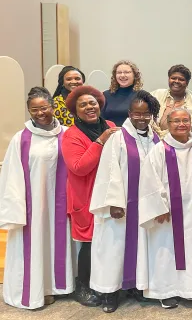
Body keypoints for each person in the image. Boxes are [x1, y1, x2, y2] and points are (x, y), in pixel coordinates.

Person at [0, 87, 74, 309]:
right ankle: (38, 289)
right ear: (29, 111)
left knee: (60, 242)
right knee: (36, 243)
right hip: (34, 204)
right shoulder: (21, 139)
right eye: (35, 110)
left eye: (44, 107)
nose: (41, 113)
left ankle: (59, 286)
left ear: (52, 106)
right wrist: (16, 208)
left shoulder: (67, 133)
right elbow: (11, 175)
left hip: (62, 203)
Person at [89, 90, 161, 312]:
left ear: (151, 115)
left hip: (145, 207)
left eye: (146, 114)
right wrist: (114, 202)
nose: (141, 118)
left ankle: (137, 287)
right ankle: (110, 292)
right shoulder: (117, 138)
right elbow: (109, 171)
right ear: (129, 113)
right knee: (114, 248)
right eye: (137, 114)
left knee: (141, 247)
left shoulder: (155, 138)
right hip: (122, 207)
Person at [137, 108, 192, 309]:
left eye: (185, 120)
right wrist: (158, 206)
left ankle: (190, 289)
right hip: (166, 212)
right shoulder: (160, 150)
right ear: (167, 123)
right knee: (165, 249)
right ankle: (164, 291)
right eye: (176, 121)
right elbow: (149, 180)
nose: (181, 124)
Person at [61, 85, 119, 307]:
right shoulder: (71, 135)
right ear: (76, 110)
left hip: (110, 195)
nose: (89, 107)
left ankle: (109, 287)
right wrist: (101, 141)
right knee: (89, 243)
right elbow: (78, 167)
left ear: (100, 104)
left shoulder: (112, 126)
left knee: (111, 242)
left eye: (92, 102)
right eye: (83, 104)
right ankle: (83, 285)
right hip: (85, 196)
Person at [151, 64, 192, 138]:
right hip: (153, 140)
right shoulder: (156, 95)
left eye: (181, 79)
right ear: (169, 79)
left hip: (181, 144)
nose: (176, 81)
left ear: (187, 83)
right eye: (173, 78)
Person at [102, 60, 143, 126]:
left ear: (135, 75)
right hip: (110, 134)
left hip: (133, 134)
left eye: (127, 72)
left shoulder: (142, 96)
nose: (122, 75)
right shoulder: (105, 95)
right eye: (119, 72)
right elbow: (101, 119)